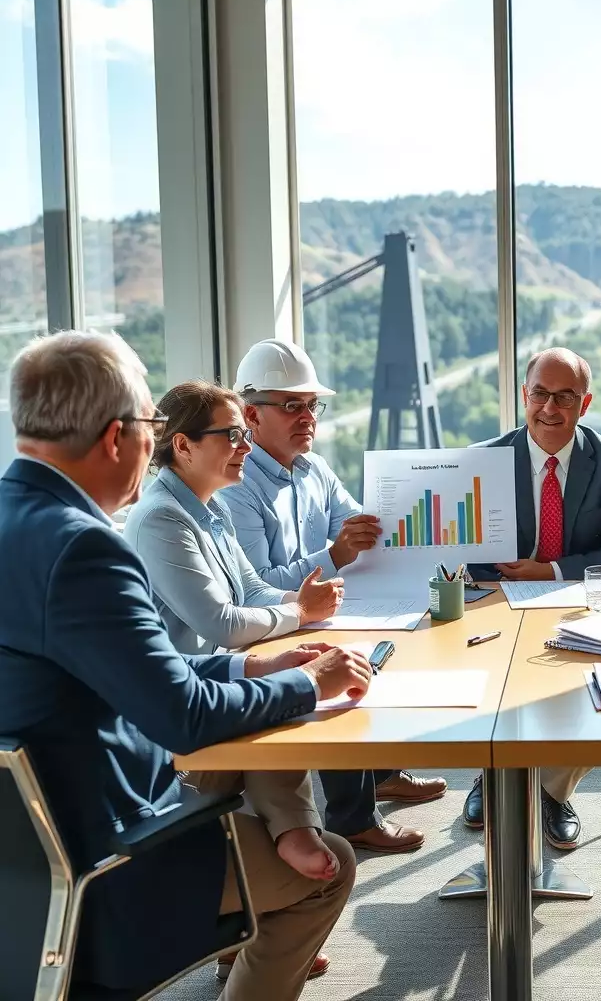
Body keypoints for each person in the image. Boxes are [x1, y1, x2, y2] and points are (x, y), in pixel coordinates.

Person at [0, 331, 375, 1000]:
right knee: (332, 869)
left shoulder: (16, 521)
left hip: (22, 855)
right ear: (118, 438)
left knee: (262, 766)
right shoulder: (85, 550)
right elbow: (181, 716)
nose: (154, 444)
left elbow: (153, 669)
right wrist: (307, 684)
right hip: (106, 855)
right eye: (150, 425)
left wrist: (255, 672)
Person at [124, 379, 347, 981]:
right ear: (183, 446)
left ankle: (279, 864)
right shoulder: (159, 520)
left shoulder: (211, 504)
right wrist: (299, 615)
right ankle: (290, 840)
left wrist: (306, 605)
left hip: (212, 686)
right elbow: (220, 623)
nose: (246, 446)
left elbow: (250, 592)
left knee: (282, 681)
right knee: (279, 703)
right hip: (181, 719)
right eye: (233, 435)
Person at [220, 339, 445, 853]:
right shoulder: (238, 485)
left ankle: (380, 771)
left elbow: (360, 521)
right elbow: (258, 584)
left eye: (311, 405)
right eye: (291, 406)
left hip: (322, 611)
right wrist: (336, 554)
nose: (307, 418)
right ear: (252, 415)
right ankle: (352, 816)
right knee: (345, 659)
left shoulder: (312, 468)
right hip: (273, 626)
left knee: (400, 643)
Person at [463, 347, 601, 849]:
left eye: (564, 397)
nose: (550, 408)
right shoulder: (485, 459)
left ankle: (552, 790)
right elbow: (463, 554)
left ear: (584, 405)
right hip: (499, 603)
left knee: (587, 689)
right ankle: (490, 776)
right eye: (540, 394)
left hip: (578, 601)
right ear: (525, 396)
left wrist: (549, 571)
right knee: (493, 684)